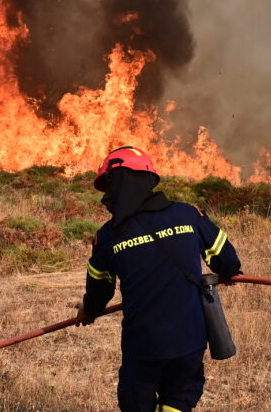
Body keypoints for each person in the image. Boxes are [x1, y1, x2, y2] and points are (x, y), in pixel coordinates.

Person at [76, 146, 242, 412]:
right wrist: (228, 271)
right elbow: (227, 259)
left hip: (144, 346)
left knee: (136, 402)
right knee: (179, 397)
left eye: (108, 186)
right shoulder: (188, 215)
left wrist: (89, 311)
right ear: (148, 180)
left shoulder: (107, 237)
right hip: (190, 339)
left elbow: (99, 292)